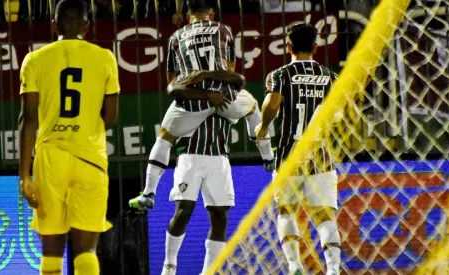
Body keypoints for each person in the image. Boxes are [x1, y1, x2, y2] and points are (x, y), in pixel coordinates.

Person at [129, 0, 274, 211]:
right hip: (226, 98)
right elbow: (231, 70)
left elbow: (172, 80)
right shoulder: (224, 30)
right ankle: (269, 158)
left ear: (188, 16)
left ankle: (148, 193)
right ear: (212, 14)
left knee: (164, 138)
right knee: (253, 109)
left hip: (192, 101)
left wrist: (201, 86)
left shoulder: (175, 38)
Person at [18, 1, 119, 275]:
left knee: (51, 254)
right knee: (86, 252)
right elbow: (110, 116)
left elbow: (28, 119)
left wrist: (24, 176)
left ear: (54, 25)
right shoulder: (105, 58)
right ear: (87, 26)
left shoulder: (35, 60)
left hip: (51, 159)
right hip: (91, 158)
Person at [255, 22, 341, 275]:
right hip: (321, 159)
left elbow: (272, 104)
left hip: (288, 158)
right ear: (315, 47)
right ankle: (333, 269)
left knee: (286, 211)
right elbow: (338, 114)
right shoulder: (331, 77)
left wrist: (263, 126)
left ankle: (294, 265)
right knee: (325, 217)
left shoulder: (280, 75)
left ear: (288, 46)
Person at [159, 73, 237, 275]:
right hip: (190, 155)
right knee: (183, 211)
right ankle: (169, 265)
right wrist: (208, 94)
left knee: (220, 217)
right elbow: (172, 89)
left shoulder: (228, 84)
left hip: (219, 156)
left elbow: (240, 84)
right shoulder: (187, 82)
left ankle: (209, 271)